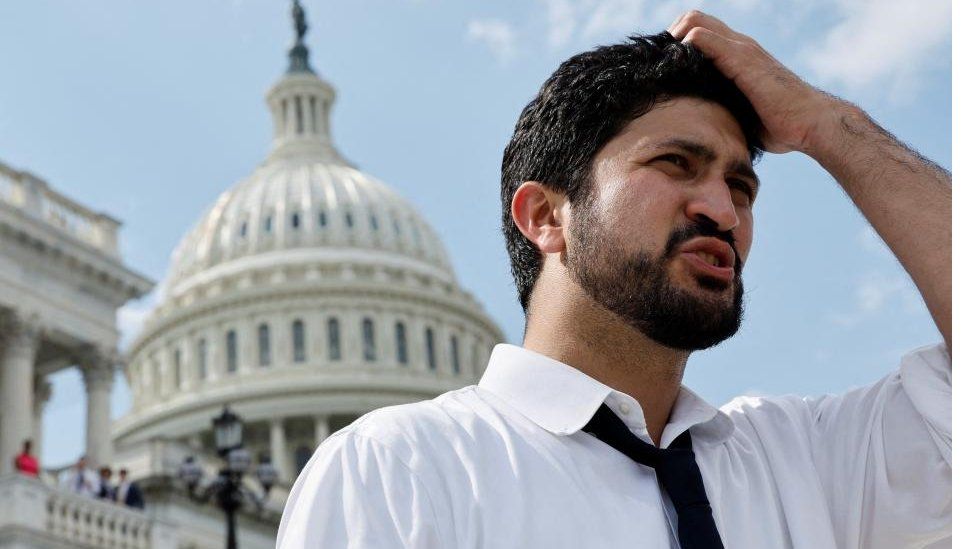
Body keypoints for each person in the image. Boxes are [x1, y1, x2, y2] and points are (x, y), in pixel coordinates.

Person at [277, 11, 950, 548]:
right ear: (544, 215)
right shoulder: (402, 474)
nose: (723, 210)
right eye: (675, 162)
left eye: (741, 185)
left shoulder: (806, 464)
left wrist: (828, 125)